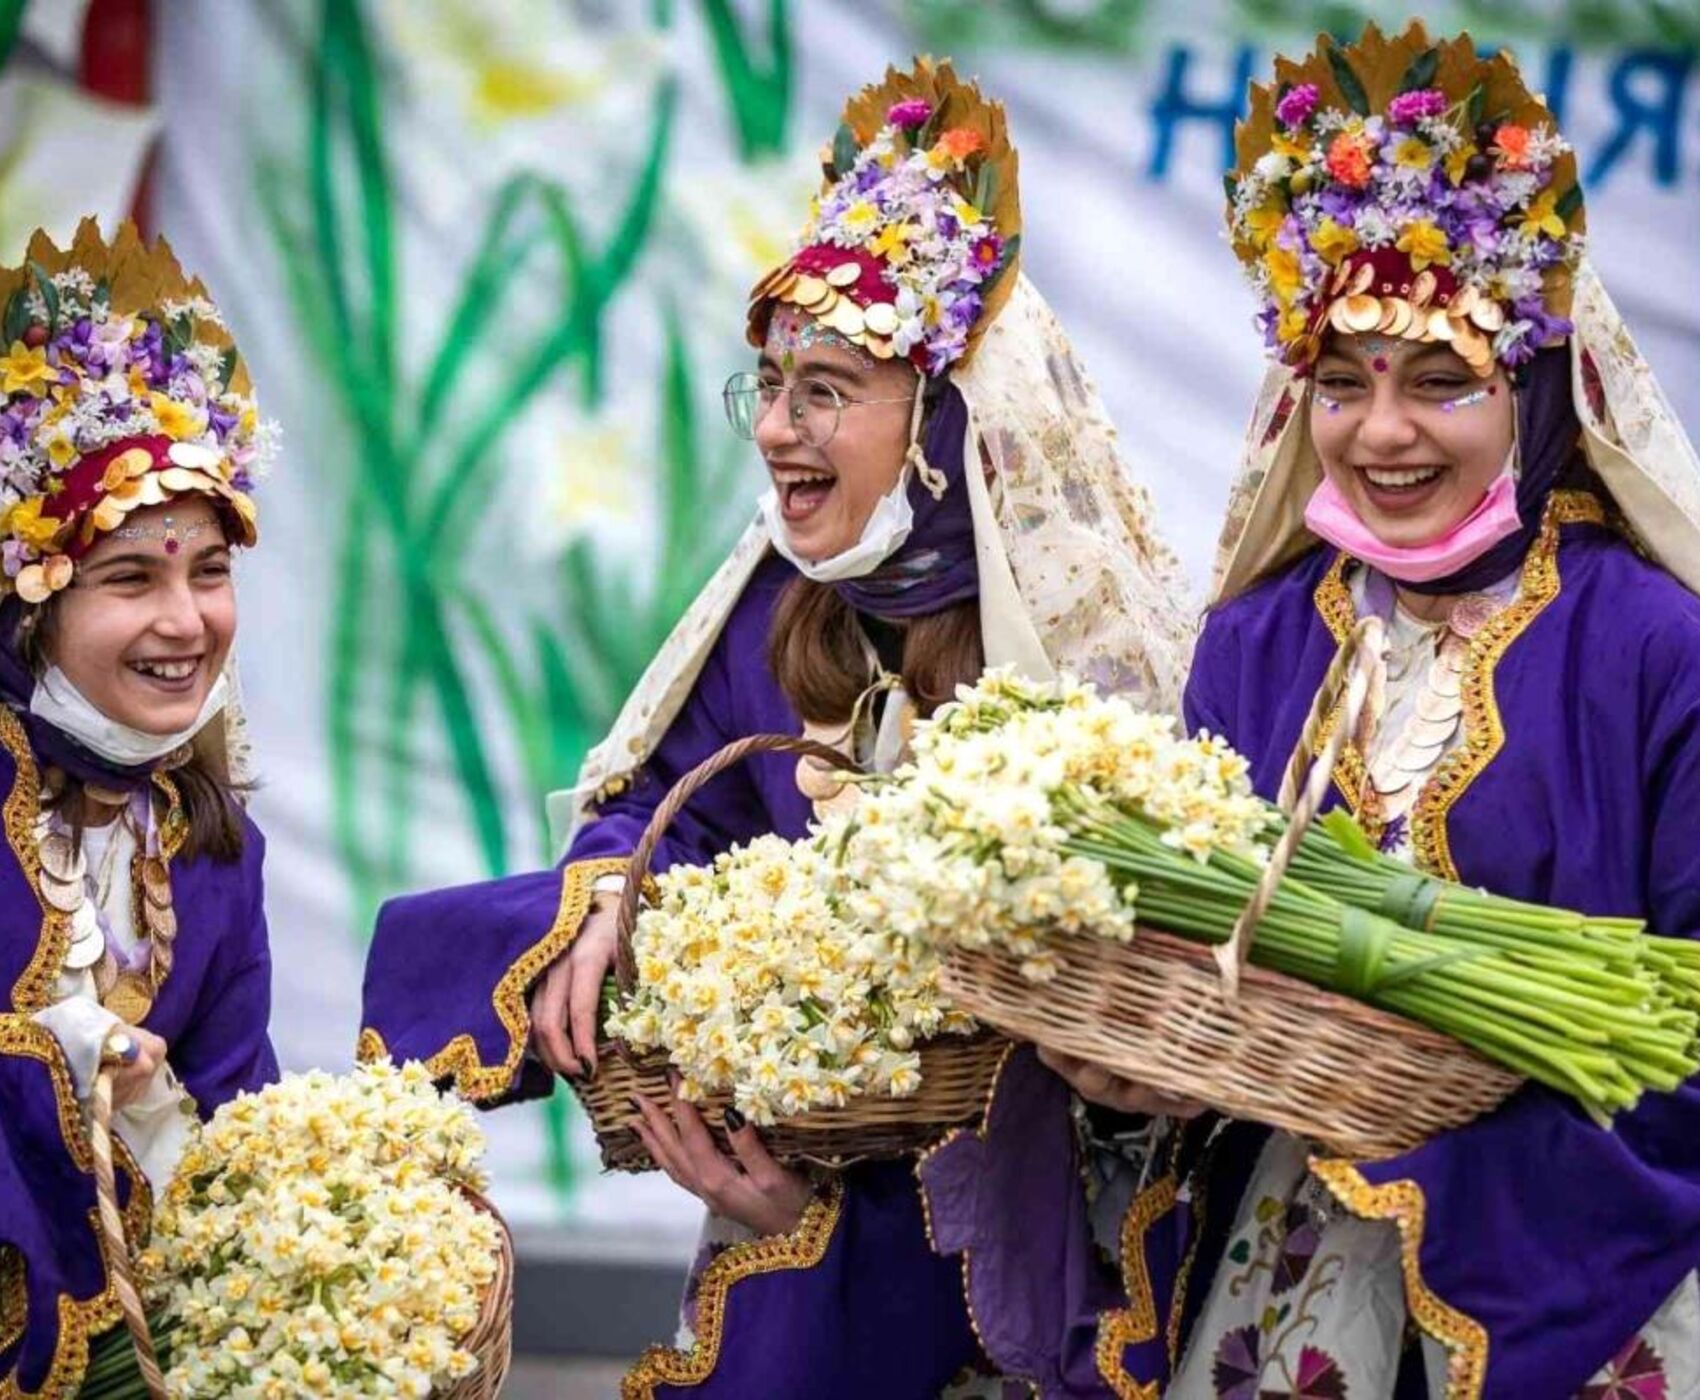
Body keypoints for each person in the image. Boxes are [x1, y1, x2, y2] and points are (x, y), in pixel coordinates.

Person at [360, 58, 1194, 1397]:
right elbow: (664, 800)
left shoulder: (1083, 648)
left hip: (1061, 1259)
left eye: (827, 390)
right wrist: (606, 885)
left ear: (946, 426)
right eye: (769, 386)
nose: (778, 434)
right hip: (792, 1200)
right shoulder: (780, 611)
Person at [935, 22, 1700, 1398]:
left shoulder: (1655, 645)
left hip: (1589, 1273)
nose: (1382, 432)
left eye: (1439, 380)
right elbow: (1203, 995)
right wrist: (1136, 1081)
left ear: (1531, 389)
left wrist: (1462, 1132)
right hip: (1289, 1267)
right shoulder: (1261, 642)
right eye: (1341, 382)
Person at [0, 218, 280, 1396]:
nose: (187, 621)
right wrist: (59, 1051)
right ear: (30, 609)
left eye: (207, 568)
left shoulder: (212, 841)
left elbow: (235, 1119)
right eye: (131, 576)